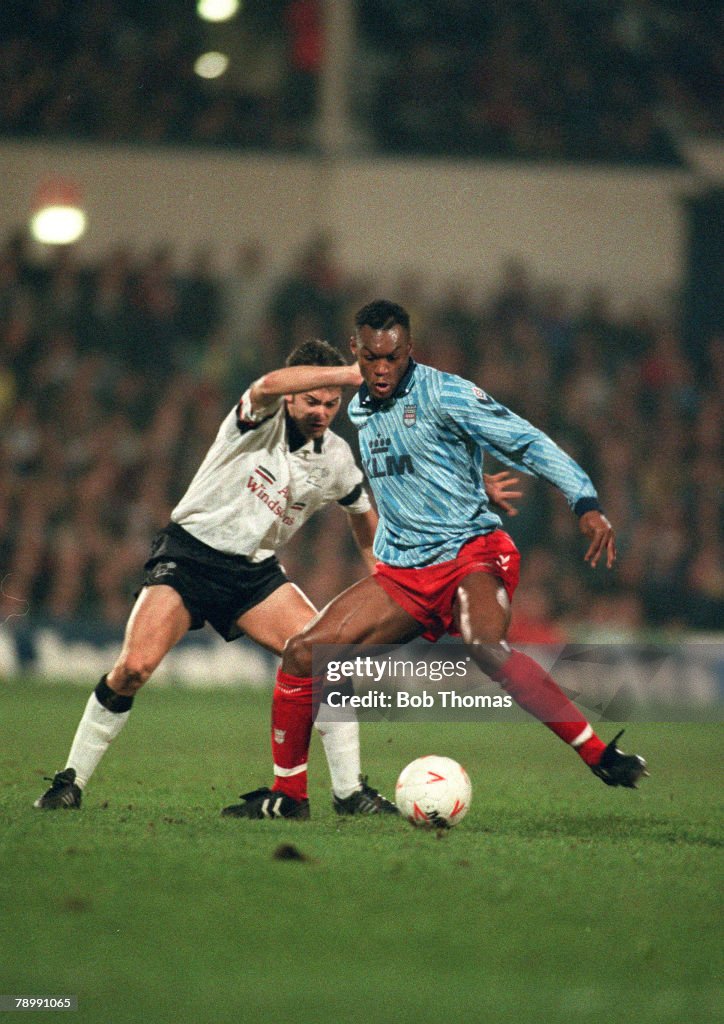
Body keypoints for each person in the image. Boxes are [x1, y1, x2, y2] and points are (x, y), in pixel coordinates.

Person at [33, 337, 521, 817]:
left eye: (332, 404)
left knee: (327, 658)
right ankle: (70, 780)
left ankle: (349, 793)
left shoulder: (335, 459)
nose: (321, 411)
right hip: (190, 559)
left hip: (254, 575)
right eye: (312, 399)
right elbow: (268, 383)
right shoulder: (256, 418)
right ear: (293, 395)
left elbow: (365, 515)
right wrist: (351, 374)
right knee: (133, 669)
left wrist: (386, 573)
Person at [234, 299, 647, 819]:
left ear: (410, 351)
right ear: (356, 351)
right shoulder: (357, 405)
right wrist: (470, 482)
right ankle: (289, 797)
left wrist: (583, 500)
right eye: (372, 357)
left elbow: (525, 441)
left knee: (484, 645)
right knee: (303, 654)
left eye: (394, 357)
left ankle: (597, 754)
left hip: (472, 552)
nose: (382, 369)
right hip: (406, 571)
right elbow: (413, 457)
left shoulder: (447, 392)